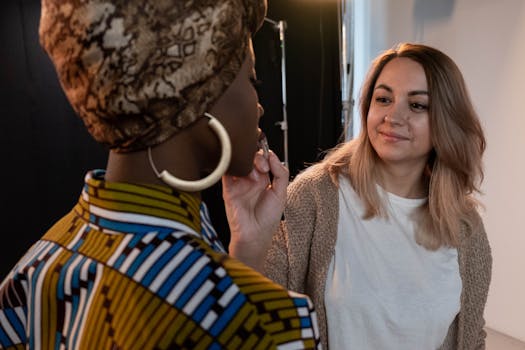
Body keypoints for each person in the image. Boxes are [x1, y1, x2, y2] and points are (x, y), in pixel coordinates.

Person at [0, 0, 321, 348]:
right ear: (198, 95)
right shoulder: (274, 326)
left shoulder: (35, 271)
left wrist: (248, 250)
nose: (258, 104)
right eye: (250, 79)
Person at [261, 43, 492, 349]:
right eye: (383, 99)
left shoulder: (466, 228)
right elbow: (261, 308)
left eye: (417, 105)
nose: (393, 116)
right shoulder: (315, 196)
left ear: (446, 121)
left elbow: (472, 339)